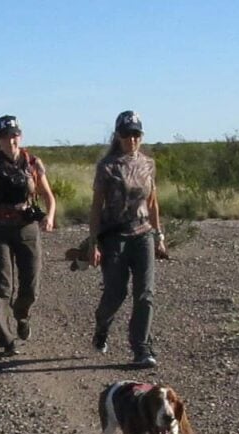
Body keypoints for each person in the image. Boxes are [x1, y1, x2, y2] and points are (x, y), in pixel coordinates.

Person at [0, 115, 56, 355]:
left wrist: (49, 216)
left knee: (30, 283)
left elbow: (48, 196)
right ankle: (5, 337)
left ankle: (22, 314)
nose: (12, 140)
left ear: (21, 135)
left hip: (26, 228)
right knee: (2, 285)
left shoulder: (32, 163)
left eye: (15, 134)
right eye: (6, 136)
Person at [87, 110, 167, 368]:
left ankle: (141, 347)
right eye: (125, 134)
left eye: (135, 134)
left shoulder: (148, 164)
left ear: (141, 136)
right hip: (114, 237)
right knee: (116, 293)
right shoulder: (107, 166)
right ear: (117, 136)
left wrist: (159, 235)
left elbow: (153, 202)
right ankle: (102, 326)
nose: (131, 139)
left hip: (143, 234)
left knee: (145, 293)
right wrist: (93, 242)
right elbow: (96, 205)